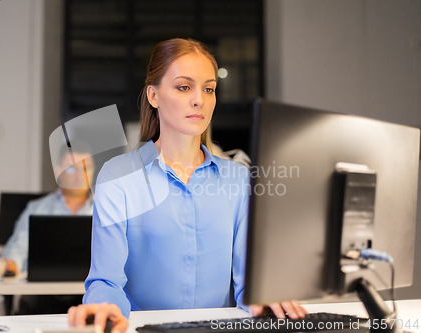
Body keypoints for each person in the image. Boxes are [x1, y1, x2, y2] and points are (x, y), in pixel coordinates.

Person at [68, 38, 307, 331]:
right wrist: (105, 309)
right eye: (184, 87)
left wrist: (266, 299)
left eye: (209, 89)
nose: (200, 100)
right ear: (153, 95)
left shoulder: (239, 179)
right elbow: (106, 280)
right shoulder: (118, 176)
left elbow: (249, 284)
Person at [0, 144, 95, 314]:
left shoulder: (109, 210)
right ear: (59, 171)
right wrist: (8, 263)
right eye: (72, 169)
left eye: (85, 168)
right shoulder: (37, 208)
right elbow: (18, 249)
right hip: (42, 298)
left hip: (91, 296)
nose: (80, 176)